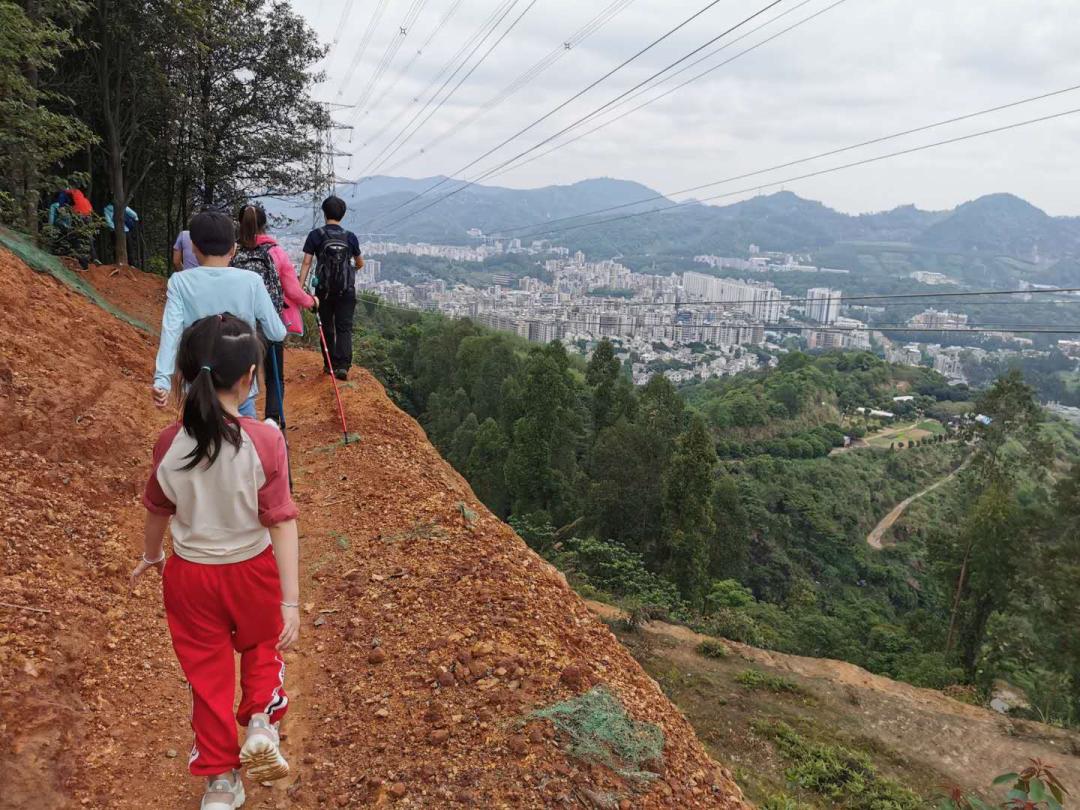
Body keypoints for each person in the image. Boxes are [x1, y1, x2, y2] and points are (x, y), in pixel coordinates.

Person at [132, 313, 300, 810]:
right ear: (250, 376)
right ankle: (261, 722)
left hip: (190, 578)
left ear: (185, 375)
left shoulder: (169, 443)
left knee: (207, 680)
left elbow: (156, 510)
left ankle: (220, 783)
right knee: (262, 646)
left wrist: (151, 556)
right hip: (252, 571)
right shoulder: (265, 441)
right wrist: (289, 601)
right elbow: (281, 520)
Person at [152, 211, 286, 417]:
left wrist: (162, 380)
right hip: (239, 387)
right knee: (246, 443)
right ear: (233, 249)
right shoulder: (252, 281)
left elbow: (171, 332)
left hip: (198, 388)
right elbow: (277, 333)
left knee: (198, 444)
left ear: (194, 247)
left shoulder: (179, 282)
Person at [234, 203, 316, 426]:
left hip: (237, 324)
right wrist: (312, 302)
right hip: (269, 323)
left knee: (239, 372)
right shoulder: (275, 252)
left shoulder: (234, 252)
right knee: (274, 375)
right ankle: (272, 419)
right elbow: (292, 290)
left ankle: (238, 418)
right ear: (264, 224)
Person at [299, 195, 363, 380]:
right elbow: (360, 263)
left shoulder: (316, 235)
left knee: (327, 327)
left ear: (324, 213)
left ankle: (330, 365)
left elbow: (306, 263)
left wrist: (299, 287)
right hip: (346, 290)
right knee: (344, 327)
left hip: (323, 291)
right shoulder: (350, 237)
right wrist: (349, 271)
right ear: (342, 215)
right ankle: (343, 366)